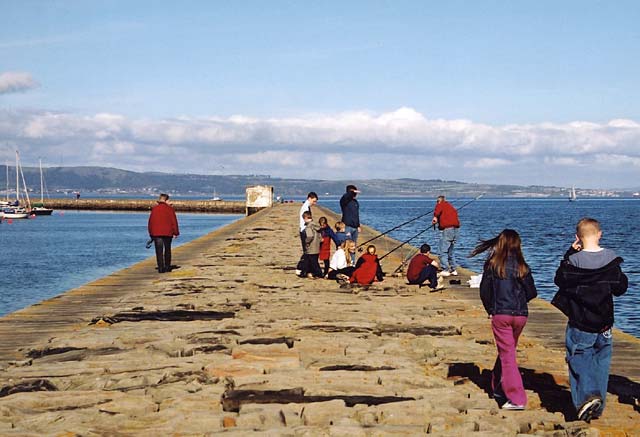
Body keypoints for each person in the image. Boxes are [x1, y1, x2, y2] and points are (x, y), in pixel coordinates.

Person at [552, 218, 628, 422]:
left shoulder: (574, 262)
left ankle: (586, 399)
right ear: (599, 234)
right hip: (604, 322)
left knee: (578, 358)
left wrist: (569, 252)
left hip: (581, 321)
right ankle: (596, 404)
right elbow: (621, 288)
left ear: (578, 238)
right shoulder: (611, 259)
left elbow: (559, 279)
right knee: (601, 362)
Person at [470, 229, 537, 410]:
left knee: (508, 356)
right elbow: (532, 292)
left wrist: (491, 309)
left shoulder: (493, 265)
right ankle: (498, 387)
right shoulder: (523, 266)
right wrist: (520, 303)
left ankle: (517, 398)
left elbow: (485, 291)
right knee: (507, 352)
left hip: (501, 314)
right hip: (520, 315)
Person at [148, 193, 180, 273]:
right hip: (167, 233)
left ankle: (161, 268)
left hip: (156, 233)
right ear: (166, 200)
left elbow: (150, 222)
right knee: (167, 249)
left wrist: (151, 233)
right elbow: (174, 222)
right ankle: (167, 267)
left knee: (159, 251)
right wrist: (176, 232)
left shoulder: (154, 209)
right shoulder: (170, 209)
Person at [432, 195, 460, 276]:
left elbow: (437, 212)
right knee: (451, 251)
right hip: (456, 230)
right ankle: (453, 269)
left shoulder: (441, 204)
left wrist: (435, 217)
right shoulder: (450, 207)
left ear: (439, 201)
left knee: (442, 251)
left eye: (437, 202)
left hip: (448, 230)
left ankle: (445, 269)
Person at [296, 192, 318, 275]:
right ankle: (301, 268)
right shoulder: (305, 208)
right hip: (305, 231)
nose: (314, 203)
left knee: (307, 251)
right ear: (309, 198)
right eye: (314, 201)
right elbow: (307, 221)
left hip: (304, 230)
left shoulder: (306, 207)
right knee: (307, 251)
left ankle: (306, 269)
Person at [301, 211, 323, 278]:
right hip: (316, 246)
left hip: (311, 247)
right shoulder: (316, 225)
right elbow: (320, 236)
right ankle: (306, 272)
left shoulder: (309, 227)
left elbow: (310, 236)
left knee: (313, 262)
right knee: (311, 261)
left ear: (305, 218)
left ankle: (318, 273)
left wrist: (306, 242)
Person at [340, 185, 361, 254]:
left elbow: (356, 214)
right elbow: (346, 196)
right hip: (347, 226)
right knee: (347, 245)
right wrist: (352, 191)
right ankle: (346, 262)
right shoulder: (344, 201)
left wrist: (358, 225)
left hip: (355, 227)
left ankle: (352, 262)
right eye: (354, 192)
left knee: (353, 247)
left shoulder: (355, 202)